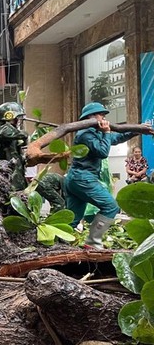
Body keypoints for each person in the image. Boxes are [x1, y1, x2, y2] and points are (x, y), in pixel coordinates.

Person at [64, 102, 153, 249]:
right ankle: (92, 242)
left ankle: (58, 243)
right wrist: (106, 132)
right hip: (83, 178)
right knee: (111, 206)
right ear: (91, 117)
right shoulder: (85, 134)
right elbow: (102, 151)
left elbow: (117, 138)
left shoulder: (95, 132)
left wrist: (138, 130)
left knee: (73, 219)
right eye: (101, 115)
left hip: (77, 179)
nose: (104, 117)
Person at [0, 102, 28, 191]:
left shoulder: (8, 132)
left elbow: (21, 143)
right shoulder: (4, 129)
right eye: (17, 118)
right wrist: (25, 134)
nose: (18, 120)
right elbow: (22, 135)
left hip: (13, 176)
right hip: (9, 178)